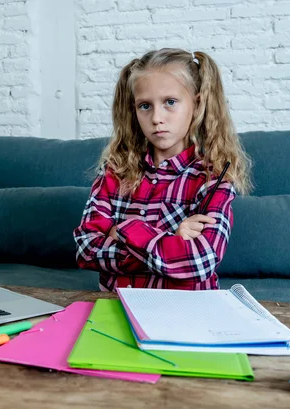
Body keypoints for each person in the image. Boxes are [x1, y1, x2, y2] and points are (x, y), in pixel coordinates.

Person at [73, 48, 252, 292]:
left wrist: (123, 230)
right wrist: (170, 239)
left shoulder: (212, 177)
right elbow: (86, 249)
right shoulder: (116, 171)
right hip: (117, 303)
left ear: (196, 104)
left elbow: (199, 261)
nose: (157, 117)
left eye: (170, 102)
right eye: (145, 106)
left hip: (186, 308)